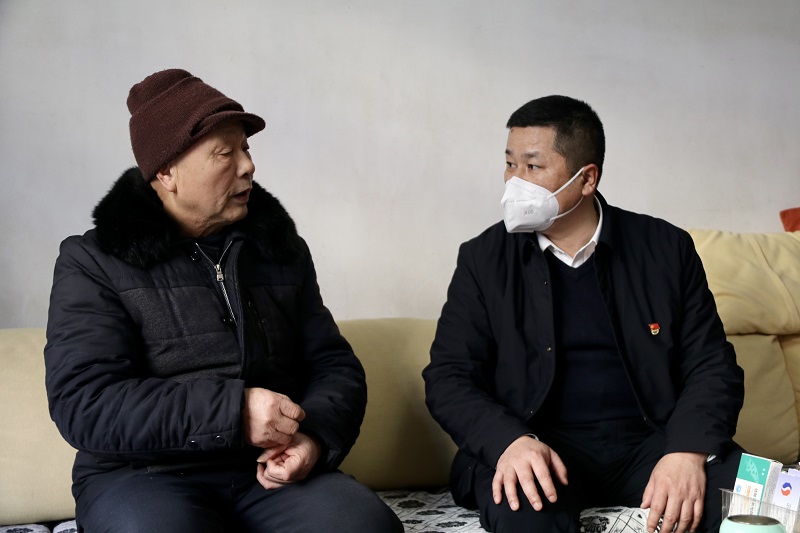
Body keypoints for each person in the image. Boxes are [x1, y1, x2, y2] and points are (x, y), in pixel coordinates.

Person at [44, 68, 402, 533]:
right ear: (166, 172)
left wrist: (313, 439)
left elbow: (333, 365)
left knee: (365, 526)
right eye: (224, 153)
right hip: (140, 475)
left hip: (264, 472)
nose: (247, 165)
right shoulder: (92, 261)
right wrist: (234, 412)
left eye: (246, 149)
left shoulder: (279, 250)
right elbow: (85, 401)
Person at [422, 95, 745, 533]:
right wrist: (509, 443)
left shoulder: (666, 248)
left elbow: (711, 364)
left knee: (772, 503)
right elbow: (449, 376)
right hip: (535, 444)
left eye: (533, 166)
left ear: (587, 178)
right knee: (523, 512)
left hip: (653, 442)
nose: (515, 181)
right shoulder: (483, 259)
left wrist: (687, 451)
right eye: (510, 164)